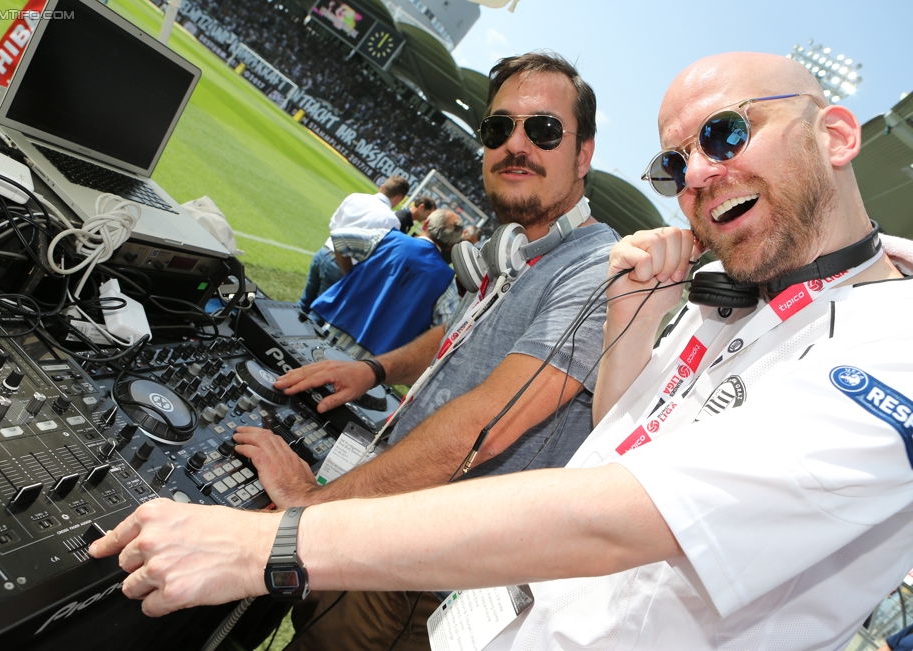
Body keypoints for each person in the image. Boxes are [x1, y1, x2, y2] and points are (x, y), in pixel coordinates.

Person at [92, 51, 913, 650]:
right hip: (487, 620)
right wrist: (377, 367)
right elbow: (608, 439)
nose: (696, 173)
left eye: (726, 134)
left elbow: (609, 514)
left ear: (838, 134)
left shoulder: (893, 341)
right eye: (676, 160)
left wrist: (274, 535)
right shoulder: (723, 308)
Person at [311, 208, 463, 359]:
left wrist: (349, 275)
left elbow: (340, 238)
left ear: (425, 224)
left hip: (336, 328)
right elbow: (446, 329)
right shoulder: (447, 281)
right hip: (374, 359)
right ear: (450, 246)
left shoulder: (389, 238)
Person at [298, 175, 409, 315]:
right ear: (399, 198)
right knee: (318, 316)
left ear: (382, 187)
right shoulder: (392, 221)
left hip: (323, 252)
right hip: (343, 266)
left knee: (302, 306)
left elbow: (333, 225)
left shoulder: (355, 197)